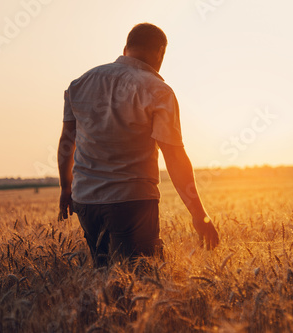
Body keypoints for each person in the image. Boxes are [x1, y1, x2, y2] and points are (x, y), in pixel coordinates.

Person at [57, 23, 219, 267]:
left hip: (86, 201)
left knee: (105, 280)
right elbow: (174, 157)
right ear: (160, 52)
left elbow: (67, 142)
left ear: (125, 48)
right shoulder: (158, 91)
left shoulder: (79, 84)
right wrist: (199, 215)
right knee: (144, 282)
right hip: (132, 202)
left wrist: (65, 189)